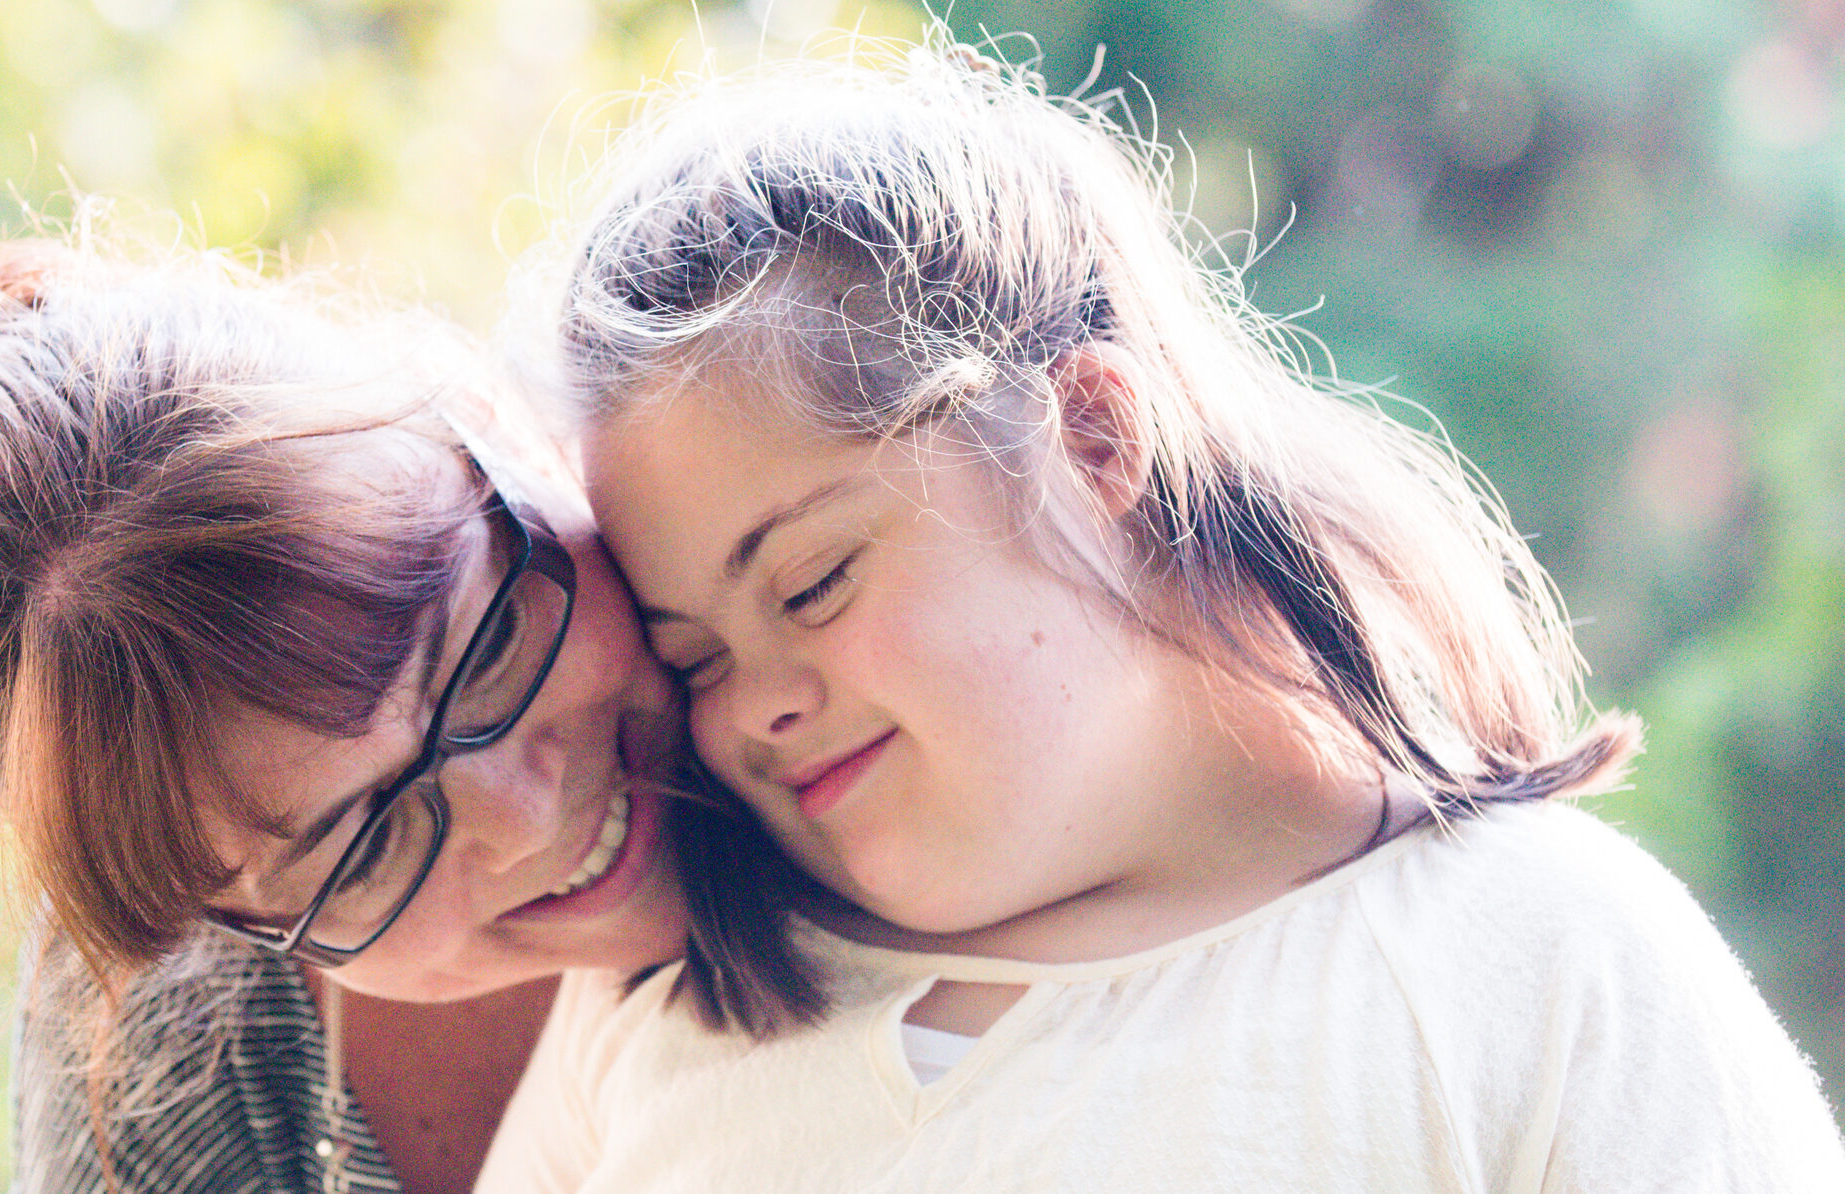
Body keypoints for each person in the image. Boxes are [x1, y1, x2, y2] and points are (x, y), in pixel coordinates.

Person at [477, 40, 1845, 1191]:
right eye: (692, 657)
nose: (755, 708)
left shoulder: (1538, 966)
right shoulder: (671, 1011)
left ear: (1089, 433)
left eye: (812, 583)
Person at [0, 232, 697, 1193]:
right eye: (367, 849)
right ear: (218, 925)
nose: (525, 817)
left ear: (480, 418)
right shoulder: (168, 1096)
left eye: (492, 644)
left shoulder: (758, 464)